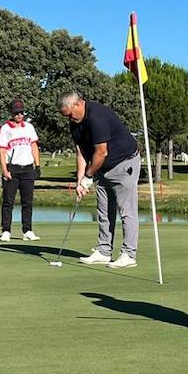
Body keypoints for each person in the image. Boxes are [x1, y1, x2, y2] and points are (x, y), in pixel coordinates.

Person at [58, 91, 141, 269]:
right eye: (66, 116)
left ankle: (129, 254)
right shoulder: (74, 123)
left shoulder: (97, 116)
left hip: (124, 163)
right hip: (102, 168)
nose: (70, 119)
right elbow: (81, 152)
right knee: (103, 210)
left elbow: (102, 152)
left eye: (70, 114)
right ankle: (104, 251)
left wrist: (88, 176)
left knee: (126, 210)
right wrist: (81, 180)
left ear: (78, 104)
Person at [0, 100, 40, 242]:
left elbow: (34, 146)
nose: (19, 115)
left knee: (28, 202)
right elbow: (2, 152)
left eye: (21, 112)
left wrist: (37, 166)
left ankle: (27, 230)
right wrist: (4, 170)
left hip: (28, 168)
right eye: (16, 112)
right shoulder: (5, 129)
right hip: (12, 169)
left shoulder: (29, 127)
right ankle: (6, 230)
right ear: (11, 113)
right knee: (8, 202)